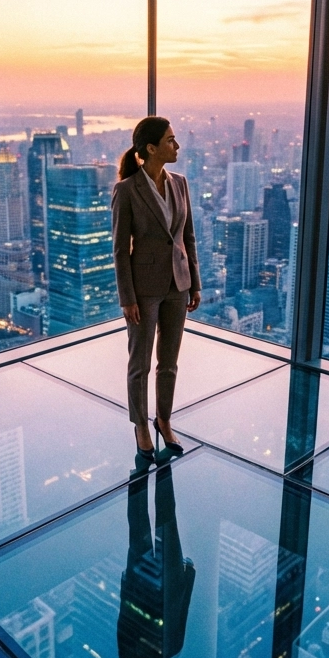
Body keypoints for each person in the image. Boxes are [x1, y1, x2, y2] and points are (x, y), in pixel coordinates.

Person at [112, 116, 201, 459]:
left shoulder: (180, 183)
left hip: (178, 284)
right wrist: (127, 298)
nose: (176, 146)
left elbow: (187, 236)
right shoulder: (127, 190)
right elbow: (120, 250)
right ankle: (141, 425)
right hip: (144, 288)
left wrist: (194, 282)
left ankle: (164, 419)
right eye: (170, 140)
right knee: (140, 363)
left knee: (169, 361)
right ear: (151, 149)